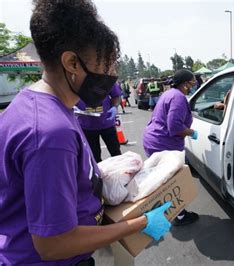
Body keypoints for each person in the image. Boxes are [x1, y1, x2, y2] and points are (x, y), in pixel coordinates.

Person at [0, 1, 171, 264]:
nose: (110, 76)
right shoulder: (49, 133)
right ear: (71, 63)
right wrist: (140, 223)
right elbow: (54, 244)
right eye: (104, 66)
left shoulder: (38, 106)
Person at [143, 69, 199, 226]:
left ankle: (162, 211)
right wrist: (191, 132)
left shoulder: (169, 94)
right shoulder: (179, 98)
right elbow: (174, 127)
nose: (194, 85)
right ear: (185, 84)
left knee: (160, 180)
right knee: (171, 182)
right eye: (192, 82)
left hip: (154, 139)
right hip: (163, 145)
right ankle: (179, 215)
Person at [76, 82, 122, 163]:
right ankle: (99, 175)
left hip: (107, 124)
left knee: (116, 154)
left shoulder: (106, 78)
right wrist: (71, 108)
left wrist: (115, 106)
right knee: (94, 157)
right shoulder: (76, 79)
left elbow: (116, 96)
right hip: (87, 126)